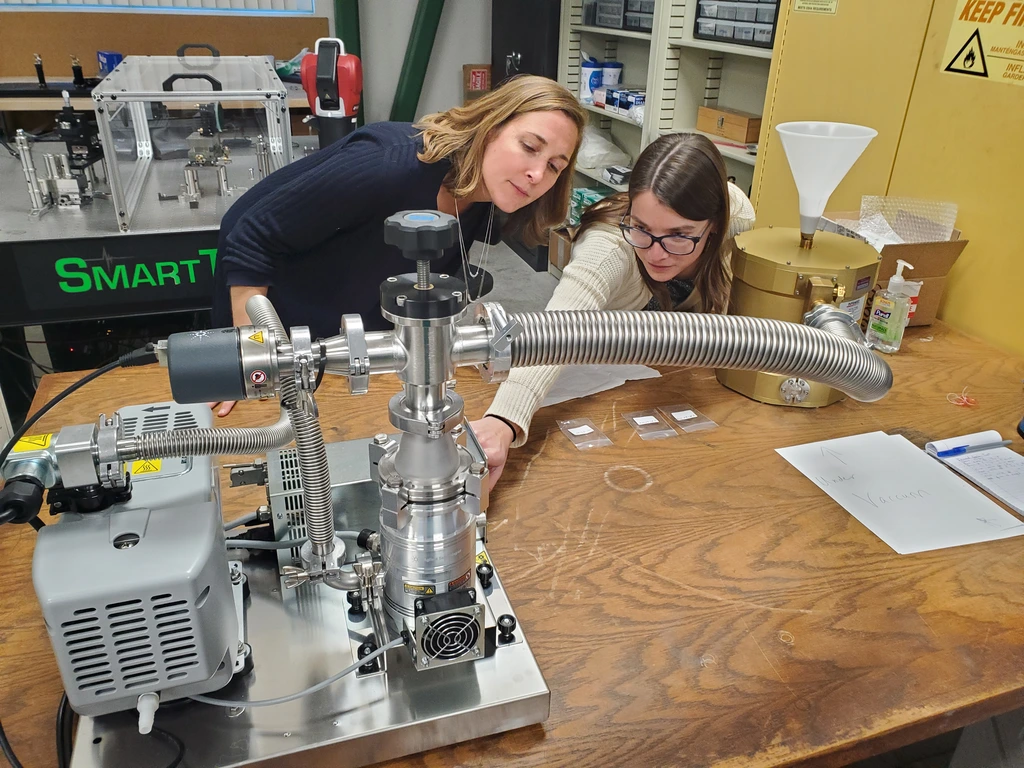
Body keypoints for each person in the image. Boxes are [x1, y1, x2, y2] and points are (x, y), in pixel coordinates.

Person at [209, 75, 586, 415]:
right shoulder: (388, 165)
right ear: (490, 128)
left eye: (555, 165)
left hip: (357, 342)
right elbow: (249, 234)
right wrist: (251, 355)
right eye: (529, 146)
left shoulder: (486, 197)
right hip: (280, 334)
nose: (537, 174)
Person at [469, 133, 756, 488]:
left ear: (713, 226)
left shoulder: (738, 217)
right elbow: (558, 328)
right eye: (642, 228)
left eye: (679, 235)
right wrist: (502, 422)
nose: (656, 253)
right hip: (611, 382)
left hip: (683, 379)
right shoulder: (608, 249)